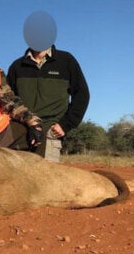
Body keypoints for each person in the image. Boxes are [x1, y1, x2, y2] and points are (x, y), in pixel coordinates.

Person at [7, 12, 90, 161]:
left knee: (46, 181)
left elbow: (82, 94)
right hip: (21, 129)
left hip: (51, 128)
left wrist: (66, 124)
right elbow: (9, 101)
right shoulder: (16, 66)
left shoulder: (66, 61)